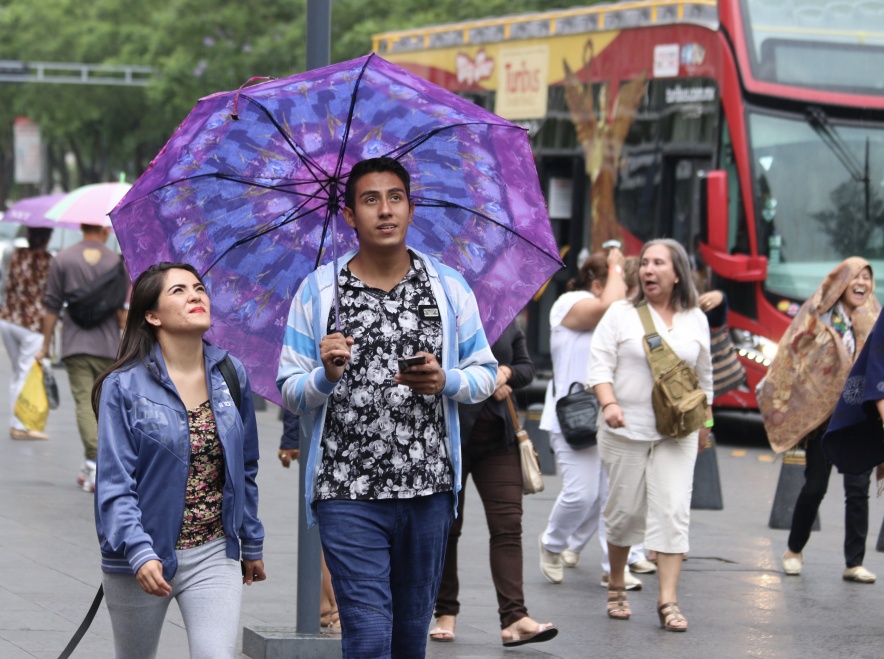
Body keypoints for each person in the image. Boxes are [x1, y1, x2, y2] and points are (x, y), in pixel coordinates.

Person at [277, 156, 497, 658]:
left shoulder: (447, 288)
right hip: (345, 489)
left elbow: (485, 374)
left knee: (408, 637)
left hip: (429, 487)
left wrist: (445, 379)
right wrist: (324, 375)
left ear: (411, 209)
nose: (385, 210)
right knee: (369, 632)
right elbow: (289, 388)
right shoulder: (318, 292)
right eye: (370, 200)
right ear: (350, 216)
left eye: (395, 197)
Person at [91, 262, 265, 659]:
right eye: (179, 291)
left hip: (214, 552)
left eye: (199, 288)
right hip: (142, 556)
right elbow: (115, 485)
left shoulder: (230, 374)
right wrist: (139, 552)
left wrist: (251, 540)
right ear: (152, 315)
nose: (195, 296)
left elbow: (246, 466)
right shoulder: (123, 386)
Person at [588, 238, 713, 632]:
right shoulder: (621, 314)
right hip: (625, 430)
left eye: (658, 263)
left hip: (678, 433)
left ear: (677, 273)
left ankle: (668, 601)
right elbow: (598, 366)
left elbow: (704, 380)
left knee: (674, 510)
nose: (648, 269)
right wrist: (609, 404)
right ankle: (616, 585)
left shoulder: (696, 318)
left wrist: (706, 426)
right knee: (624, 512)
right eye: (644, 263)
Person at [431, 318, 557, 648]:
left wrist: (506, 374)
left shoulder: (504, 317)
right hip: (449, 438)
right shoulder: (442, 311)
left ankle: (514, 618)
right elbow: (428, 368)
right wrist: (481, 380)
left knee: (508, 526)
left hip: (498, 441)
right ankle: (445, 612)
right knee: (447, 529)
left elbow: (526, 367)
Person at [757, 258, 879, 583]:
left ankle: (854, 563)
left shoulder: (874, 321)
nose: (862, 283)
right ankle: (794, 549)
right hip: (823, 419)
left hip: (858, 418)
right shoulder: (819, 316)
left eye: (868, 278)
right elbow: (792, 354)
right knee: (815, 487)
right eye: (856, 276)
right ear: (841, 282)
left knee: (858, 490)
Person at [537, 250, 650, 589]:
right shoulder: (570, 302)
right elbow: (606, 308)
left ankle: (614, 568)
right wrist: (618, 262)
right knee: (581, 495)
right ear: (599, 284)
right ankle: (552, 545)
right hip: (573, 418)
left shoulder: (621, 315)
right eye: (622, 286)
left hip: (610, 415)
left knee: (612, 498)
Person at [36, 223, 126, 492]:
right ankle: (97, 463)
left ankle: (94, 464)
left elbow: (52, 305)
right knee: (105, 407)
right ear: (104, 231)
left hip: (75, 345)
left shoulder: (62, 259)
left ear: (81, 227)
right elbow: (124, 313)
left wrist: (46, 345)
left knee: (84, 404)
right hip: (109, 347)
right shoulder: (119, 263)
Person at [278, 408, 341, 631]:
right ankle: (335, 607)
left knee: (329, 523)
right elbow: (299, 382)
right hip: (329, 437)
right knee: (333, 524)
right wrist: (291, 437)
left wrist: (290, 437)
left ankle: (326, 606)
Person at [0, 226, 53, 440]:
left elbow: (6, 282)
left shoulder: (16, 255)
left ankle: (18, 422)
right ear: (47, 238)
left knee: (18, 372)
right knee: (25, 373)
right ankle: (19, 426)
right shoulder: (48, 261)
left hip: (9, 319)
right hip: (32, 324)